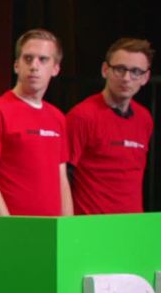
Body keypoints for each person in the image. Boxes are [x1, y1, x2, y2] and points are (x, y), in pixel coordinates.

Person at [0, 28, 72, 216]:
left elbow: (62, 180)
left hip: (53, 228)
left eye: (43, 59)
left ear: (55, 69)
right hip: (12, 227)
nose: (34, 66)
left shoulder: (58, 117)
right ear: (16, 65)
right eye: (28, 58)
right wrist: (9, 227)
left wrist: (68, 226)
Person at [66, 38, 154, 214]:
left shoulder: (145, 118)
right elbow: (62, 176)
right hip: (92, 223)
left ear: (145, 77)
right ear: (105, 70)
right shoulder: (82, 116)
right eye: (120, 69)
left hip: (133, 223)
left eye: (136, 72)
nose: (127, 78)